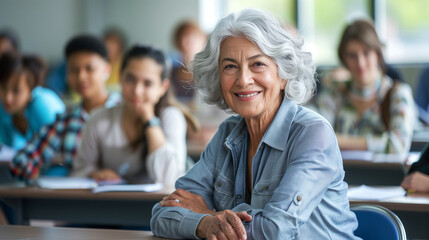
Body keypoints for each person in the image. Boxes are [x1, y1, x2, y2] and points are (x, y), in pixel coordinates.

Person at [151, 9, 359, 239]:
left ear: (283, 75)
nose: (243, 79)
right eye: (230, 66)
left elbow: (275, 230)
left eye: (257, 64)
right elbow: (162, 214)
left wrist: (208, 214)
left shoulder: (312, 133)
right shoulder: (227, 134)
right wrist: (208, 223)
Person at [71, 45, 198, 187]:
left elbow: (170, 179)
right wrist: (96, 174)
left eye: (147, 83)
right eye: (130, 79)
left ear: (163, 87)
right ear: (120, 77)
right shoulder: (99, 119)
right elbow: (80, 170)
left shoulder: (171, 116)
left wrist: (149, 120)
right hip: (113, 204)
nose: (137, 91)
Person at [10, 35, 121, 180]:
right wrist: (45, 173)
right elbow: (20, 162)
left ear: (107, 69)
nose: (81, 77)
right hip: (74, 199)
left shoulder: (124, 112)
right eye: (74, 70)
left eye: (89, 68)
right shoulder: (65, 120)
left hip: (120, 198)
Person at [315, 19, 415, 154]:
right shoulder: (335, 92)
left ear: (378, 55)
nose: (360, 63)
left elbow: (398, 145)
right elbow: (317, 137)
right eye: (352, 55)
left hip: (384, 175)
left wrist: (338, 141)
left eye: (366, 53)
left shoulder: (398, 94)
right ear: (343, 59)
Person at [0, 53, 65, 150]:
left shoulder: (41, 104)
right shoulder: (4, 109)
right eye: (3, 88)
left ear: (31, 88)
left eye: (16, 91)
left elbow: (60, 149)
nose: (8, 98)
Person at [170, 20, 207, 105]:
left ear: (203, 41)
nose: (190, 41)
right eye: (185, 36)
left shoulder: (211, 74)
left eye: (195, 37)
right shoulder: (169, 73)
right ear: (177, 41)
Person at [103, 27, 127, 92]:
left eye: (113, 42)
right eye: (106, 42)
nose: (108, 45)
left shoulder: (126, 63)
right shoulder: (100, 64)